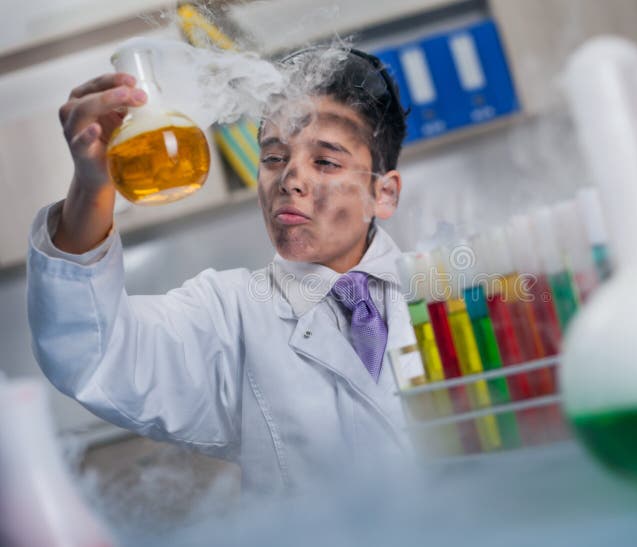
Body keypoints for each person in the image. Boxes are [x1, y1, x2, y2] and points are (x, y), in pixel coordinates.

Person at [27, 48, 424, 495]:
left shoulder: (449, 289)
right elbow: (92, 353)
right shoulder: (229, 317)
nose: (290, 179)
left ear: (384, 194)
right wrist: (92, 186)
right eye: (274, 158)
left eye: (326, 161)